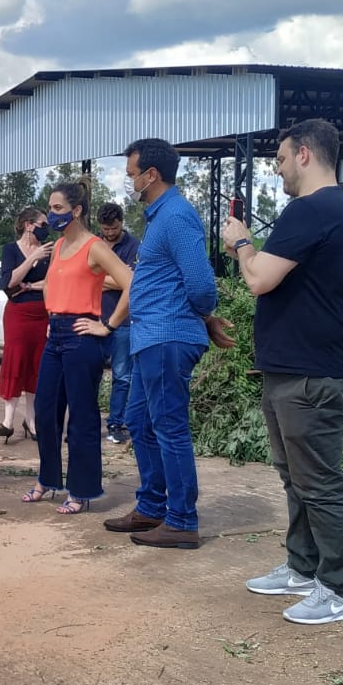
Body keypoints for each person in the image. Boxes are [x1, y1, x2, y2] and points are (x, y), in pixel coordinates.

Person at [222, 118, 343, 625]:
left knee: (319, 483)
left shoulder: (311, 209)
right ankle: (304, 567)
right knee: (295, 478)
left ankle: (338, 588)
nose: (277, 170)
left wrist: (240, 242)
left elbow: (258, 278)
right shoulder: (325, 210)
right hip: (293, 370)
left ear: (304, 154)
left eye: (280, 159)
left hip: (311, 374)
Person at [106, 138, 219, 549]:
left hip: (168, 336)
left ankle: (182, 519)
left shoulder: (176, 217)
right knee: (138, 421)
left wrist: (202, 316)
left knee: (169, 428)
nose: (128, 181)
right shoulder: (160, 218)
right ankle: (152, 506)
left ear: (151, 174)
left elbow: (203, 286)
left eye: (132, 174)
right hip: (151, 337)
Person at [20, 182, 132, 515]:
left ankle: (81, 490)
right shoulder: (59, 247)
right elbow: (52, 284)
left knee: (81, 417)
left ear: (77, 210)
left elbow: (131, 283)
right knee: (45, 409)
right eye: (50, 208)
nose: (51, 215)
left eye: (57, 209)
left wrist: (107, 324)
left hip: (83, 335)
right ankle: (48, 479)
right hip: (55, 335)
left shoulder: (94, 246)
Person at [0, 207, 50, 443]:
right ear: (29, 225)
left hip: (43, 313)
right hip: (18, 314)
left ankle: (32, 420)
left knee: (37, 365)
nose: (45, 228)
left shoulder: (50, 251)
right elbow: (9, 281)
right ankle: (7, 420)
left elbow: (51, 283)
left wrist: (28, 286)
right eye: (42, 223)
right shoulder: (10, 250)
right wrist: (31, 260)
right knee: (15, 360)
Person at [96, 202, 140, 443]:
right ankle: (88, 423)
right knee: (90, 373)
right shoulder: (93, 243)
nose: (110, 233)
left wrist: (101, 278)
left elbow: (132, 282)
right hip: (93, 318)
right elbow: (85, 278)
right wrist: (118, 278)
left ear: (121, 223)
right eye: (105, 229)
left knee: (122, 376)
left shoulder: (134, 246)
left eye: (113, 228)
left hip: (123, 322)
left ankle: (115, 423)